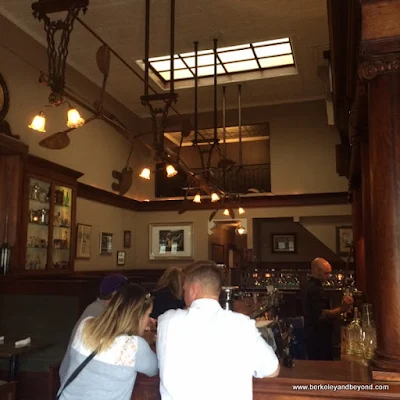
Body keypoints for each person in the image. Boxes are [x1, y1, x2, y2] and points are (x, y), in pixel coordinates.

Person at [157, 261, 279, 400]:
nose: (182, 296)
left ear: (194, 289)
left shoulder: (166, 321)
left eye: (184, 290)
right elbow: (272, 369)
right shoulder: (242, 325)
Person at [58, 283, 158, 400]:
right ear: (137, 316)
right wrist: (146, 339)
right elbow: (154, 369)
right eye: (148, 315)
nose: (150, 320)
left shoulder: (85, 325)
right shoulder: (134, 346)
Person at [59, 274, 128, 382]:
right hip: (75, 380)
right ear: (115, 295)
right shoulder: (99, 313)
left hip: (76, 376)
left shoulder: (97, 307)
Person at [304, 258, 354, 360]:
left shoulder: (310, 285)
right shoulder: (315, 289)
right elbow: (322, 315)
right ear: (316, 271)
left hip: (314, 335)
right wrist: (342, 309)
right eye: (326, 273)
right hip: (318, 338)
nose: (329, 276)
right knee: (322, 367)